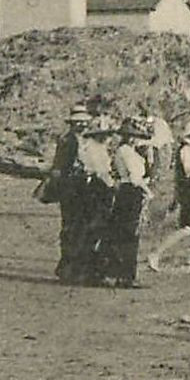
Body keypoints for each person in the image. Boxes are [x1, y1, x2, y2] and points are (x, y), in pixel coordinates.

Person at [148, 120, 190, 274]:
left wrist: (175, 198)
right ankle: (156, 254)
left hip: (185, 192)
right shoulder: (187, 150)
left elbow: (179, 177)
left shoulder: (184, 149)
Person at [43, 104, 95, 282]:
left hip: (79, 187)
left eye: (84, 123)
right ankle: (69, 267)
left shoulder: (80, 140)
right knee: (73, 227)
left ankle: (72, 267)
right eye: (79, 123)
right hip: (72, 188)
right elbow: (61, 167)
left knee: (77, 227)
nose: (82, 126)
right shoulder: (69, 141)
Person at [101, 118, 152, 288]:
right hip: (131, 191)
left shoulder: (128, 151)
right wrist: (148, 191)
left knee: (123, 232)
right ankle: (126, 275)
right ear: (130, 137)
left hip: (127, 191)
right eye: (135, 136)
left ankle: (117, 273)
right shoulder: (126, 152)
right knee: (130, 233)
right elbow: (135, 177)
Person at [75, 117, 119, 285]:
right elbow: (101, 172)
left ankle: (91, 270)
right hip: (97, 188)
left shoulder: (96, 147)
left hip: (97, 186)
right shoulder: (94, 149)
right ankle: (91, 271)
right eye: (105, 134)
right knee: (96, 228)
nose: (108, 137)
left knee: (94, 229)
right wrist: (112, 186)